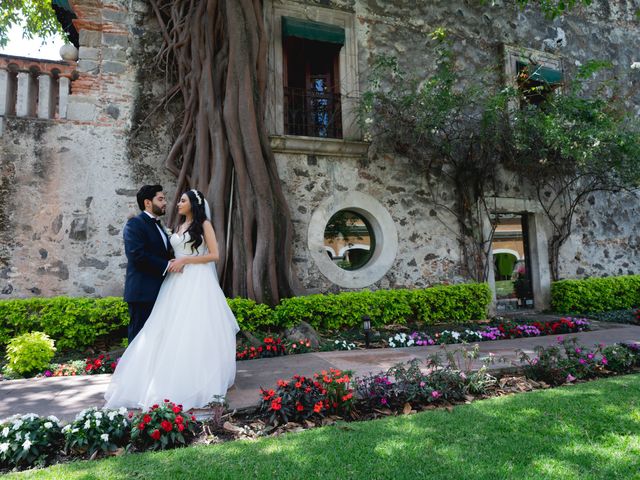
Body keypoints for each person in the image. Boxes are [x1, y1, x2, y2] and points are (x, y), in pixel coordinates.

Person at [105, 189, 240, 410]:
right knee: (166, 330)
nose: (176, 203)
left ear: (193, 204)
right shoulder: (174, 227)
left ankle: (197, 377)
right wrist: (174, 263)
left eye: (182, 200)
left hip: (196, 280)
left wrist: (187, 259)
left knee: (194, 330)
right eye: (166, 199)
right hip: (174, 283)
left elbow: (215, 255)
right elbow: (157, 254)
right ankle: (151, 377)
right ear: (148, 203)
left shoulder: (204, 225)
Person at [123, 185, 174, 343]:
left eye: (164, 199)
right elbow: (136, 254)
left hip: (160, 291)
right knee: (139, 339)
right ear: (147, 203)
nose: (165, 202)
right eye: (160, 199)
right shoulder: (134, 225)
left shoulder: (159, 225)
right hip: (142, 294)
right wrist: (167, 265)